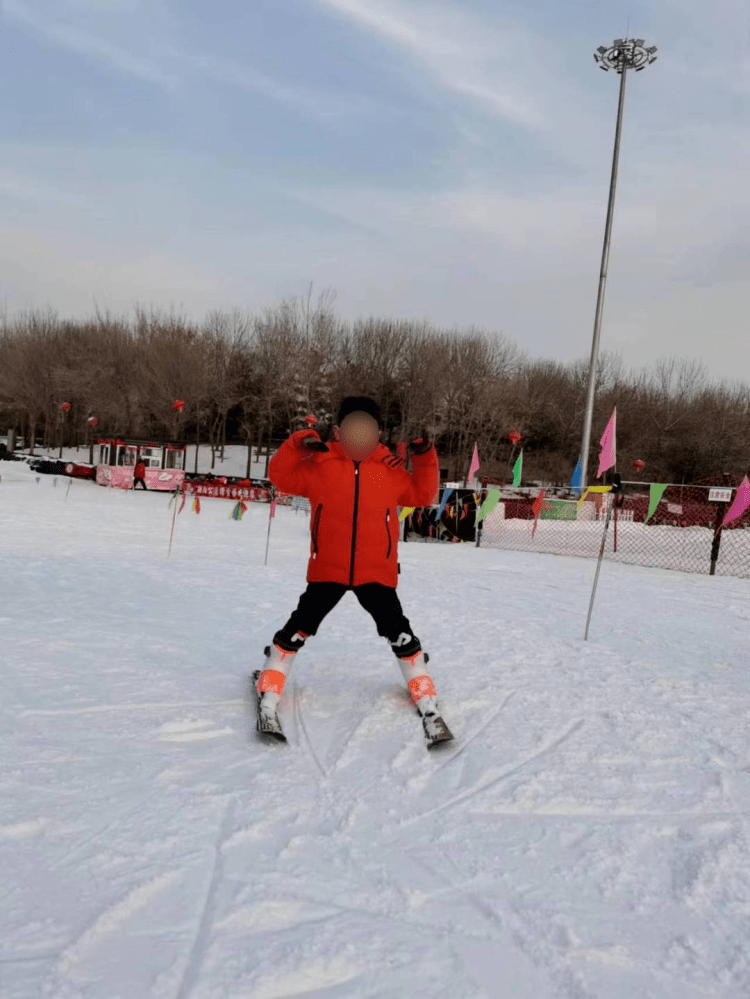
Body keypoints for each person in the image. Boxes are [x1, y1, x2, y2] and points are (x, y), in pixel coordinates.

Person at [258, 395, 447, 735]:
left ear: (377, 433)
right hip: (328, 568)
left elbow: (422, 494)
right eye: (353, 427)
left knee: (397, 629)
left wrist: (424, 457)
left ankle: (421, 683)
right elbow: (280, 476)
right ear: (338, 430)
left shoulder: (388, 469)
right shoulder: (320, 464)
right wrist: (297, 444)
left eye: (368, 428)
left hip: (376, 571)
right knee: (301, 625)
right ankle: (273, 672)